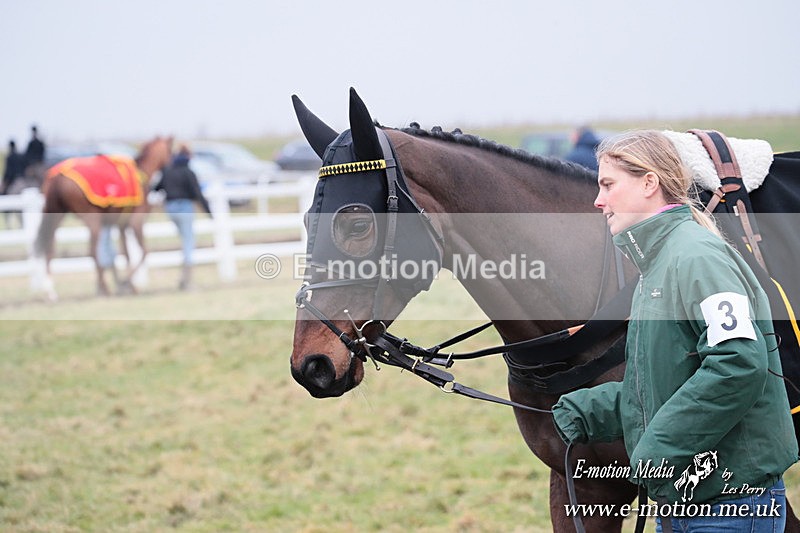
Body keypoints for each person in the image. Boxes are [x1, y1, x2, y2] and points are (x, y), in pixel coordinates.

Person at [551, 130, 798, 532]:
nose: (599, 200)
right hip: (690, 502)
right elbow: (665, 382)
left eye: (608, 185)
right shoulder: (660, 264)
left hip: (729, 509)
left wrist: (660, 449)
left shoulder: (696, 257)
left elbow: (738, 364)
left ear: (650, 183)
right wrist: (586, 410)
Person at [154, 145, 212, 290]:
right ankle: (187, 280)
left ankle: (185, 279)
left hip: (170, 208)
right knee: (188, 241)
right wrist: (209, 212)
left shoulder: (167, 170)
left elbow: (156, 187)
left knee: (184, 238)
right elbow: (197, 193)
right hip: (184, 207)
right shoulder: (188, 172)